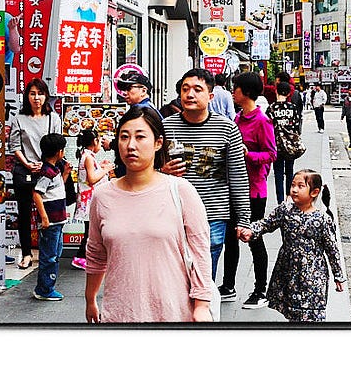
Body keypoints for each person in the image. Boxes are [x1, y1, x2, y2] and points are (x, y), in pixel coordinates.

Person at [84, 106, 215, 323]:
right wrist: (90, 299)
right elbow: (96, 255)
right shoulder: (102, 195)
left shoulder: (181, 190)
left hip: (173, 315)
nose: (131, 145)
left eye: (140, 137)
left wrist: (202, 306)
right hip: (119, 315)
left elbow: (200, 251)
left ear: (158, 143)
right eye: (124, 137)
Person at [162, 67, 250, 281]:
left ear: (210, 96)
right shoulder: (164, 127)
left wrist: (243, 219)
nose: (189, 94)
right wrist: (161, 171)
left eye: (197, 89)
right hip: (171, 214)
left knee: (203, 280)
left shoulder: (227, 129)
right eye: (185, 89)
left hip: (212, 216)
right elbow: (146, 170)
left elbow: (238, 176)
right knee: (172, 279)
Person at [237, 169, 346, 322]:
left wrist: (338, 275)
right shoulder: (285, 210)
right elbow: (266, 223)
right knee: (292, 313)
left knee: (311, 314)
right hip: (288, 271)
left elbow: (331, 249)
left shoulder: (322, 219)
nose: (294, 189)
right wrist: (251, 231)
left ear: (314, 192)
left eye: (300, 186)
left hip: (313, 274)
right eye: (293, 185)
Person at [219, 71, 275, 308]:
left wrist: (248, 154)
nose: (233, 92)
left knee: (253, 238)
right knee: (230, 239)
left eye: (236, 88)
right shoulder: (238, 118)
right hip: (233, 188)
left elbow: (271, 154)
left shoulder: (262, 121)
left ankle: (261, 291)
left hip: (254, 191)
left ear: (247, 92)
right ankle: (228, 286)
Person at [10, 78, 63, 269]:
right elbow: (14, 146)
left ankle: (48, 252)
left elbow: (58, 144)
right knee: (24, 214)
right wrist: (27, 163)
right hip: (25, 171)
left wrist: (45, 164)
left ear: (46, 96)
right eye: (32, 94)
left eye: (40, 94)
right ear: (27, 96)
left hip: (47, 172)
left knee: (49, 213)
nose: (36, 98)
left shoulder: (53, 118)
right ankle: (26, 254)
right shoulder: (19, 119)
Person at [30, 132, 71, 301]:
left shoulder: (54, 170)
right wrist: (45, 218)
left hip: (57, 221)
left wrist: (66, 173)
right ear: (59, 152)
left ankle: (46, 287)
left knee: (55, 253)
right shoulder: (47, 172)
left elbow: (54, 189)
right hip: (51, 222)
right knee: (49, 256)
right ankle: (44, 289)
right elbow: (37, 194)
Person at [72, 126, 114, 270]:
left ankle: (83, 257)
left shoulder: (86, 155)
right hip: (88, 200)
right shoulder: (88, 157)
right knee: (90, 231)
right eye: (99, 141)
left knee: (90, 230)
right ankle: (80, 257)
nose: (100, 144)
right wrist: (105, 170)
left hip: (88, 199)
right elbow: (91, 179)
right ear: (94, 141)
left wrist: (100, 167)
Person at [267, 81, 303, 202]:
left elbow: (267, 128)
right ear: (288, 94)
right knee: (289, 171)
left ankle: (280, 201)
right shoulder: (293, 108)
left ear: (276, 91)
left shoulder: (271, 108)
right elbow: (297, 127)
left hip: (276, 145)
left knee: (278, 174)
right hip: (290, 145)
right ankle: (289, 198)